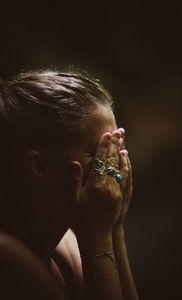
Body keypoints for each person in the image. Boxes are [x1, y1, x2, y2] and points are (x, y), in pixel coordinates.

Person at [0, 70, 139, 300]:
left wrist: (114, 228)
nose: (113, 166)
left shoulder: (65, 242)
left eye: (115, 150)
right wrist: (96, 237)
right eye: (100, 153)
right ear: (39, 166)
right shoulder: (7, 255)